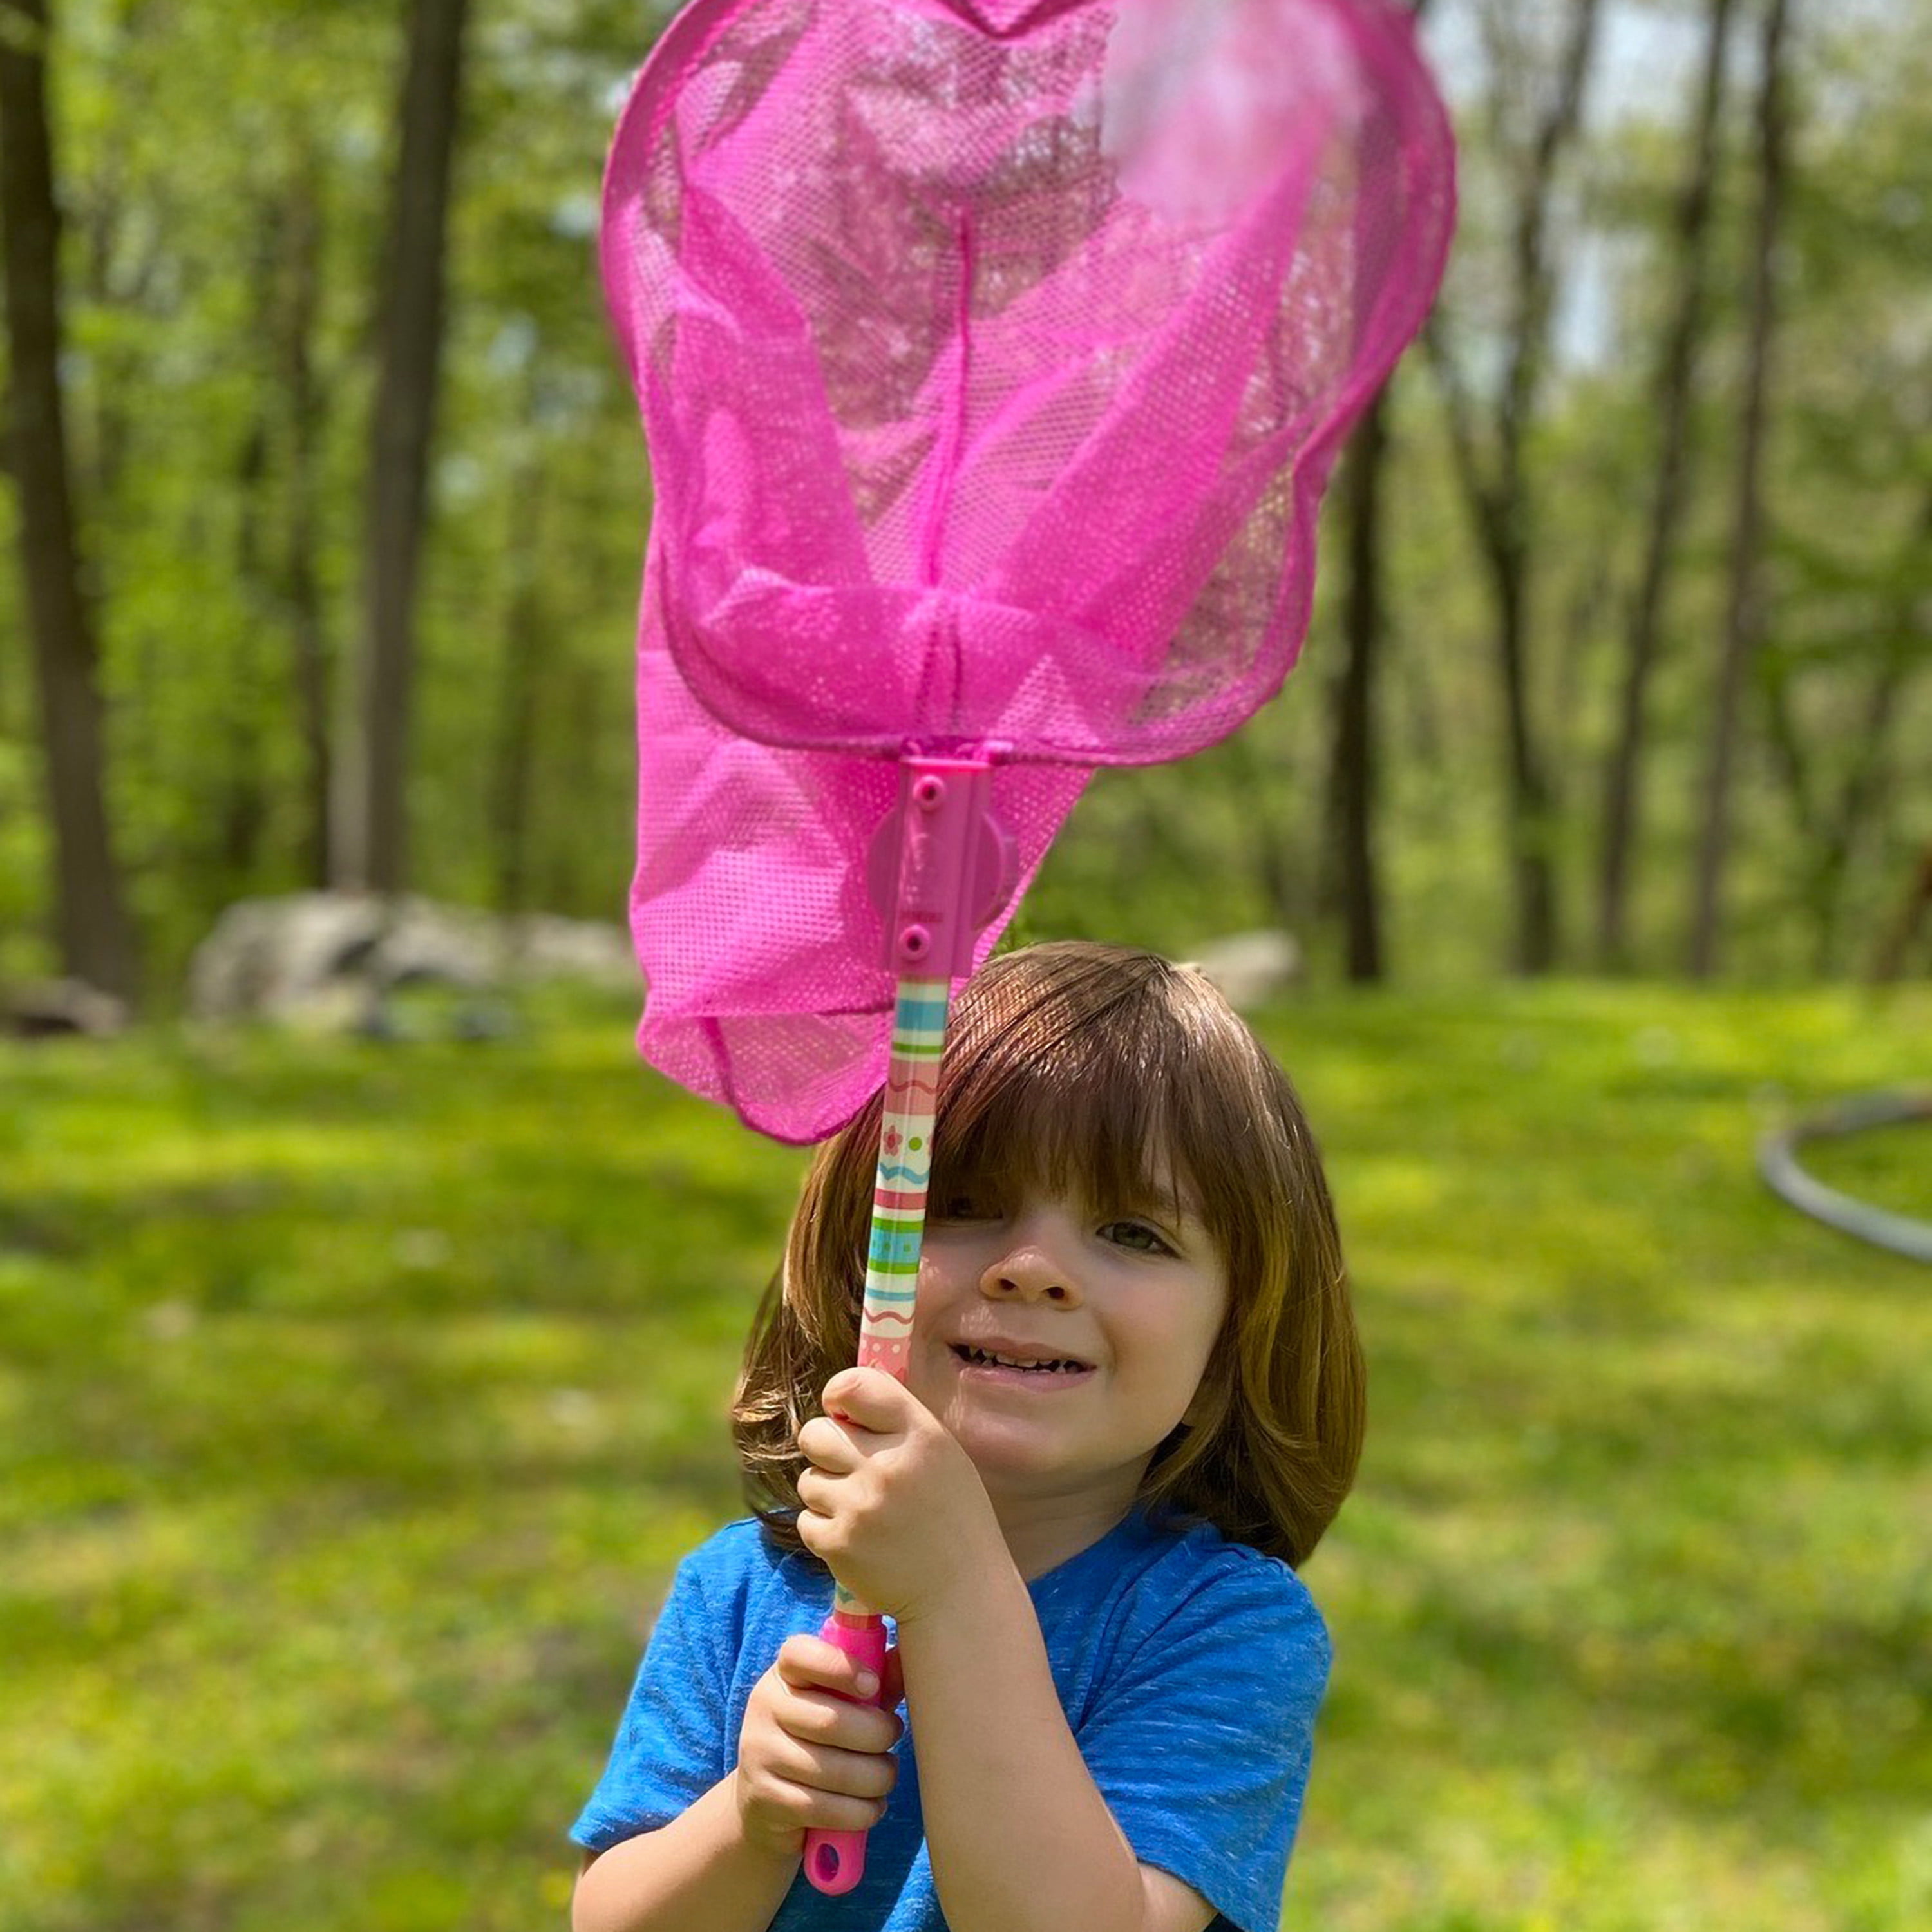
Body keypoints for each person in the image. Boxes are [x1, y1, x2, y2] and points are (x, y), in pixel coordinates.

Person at [570, 941, 1364, 1932]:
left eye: (1133, 1234)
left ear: (1226, 1353)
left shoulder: (1218, 1625)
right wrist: (749, 1818)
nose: (1032, 1269)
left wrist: (953, 1590)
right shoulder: (739, 1590)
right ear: (854, 1273)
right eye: (963, 1205)